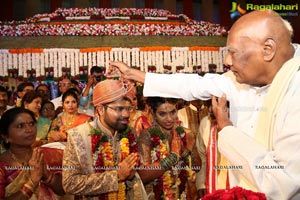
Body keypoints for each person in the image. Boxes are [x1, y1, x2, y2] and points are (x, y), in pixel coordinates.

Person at [108, 10, 300, 199]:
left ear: (268, 50)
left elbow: (281, 182)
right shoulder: (237, 81)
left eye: (233, 53)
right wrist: (133, 74)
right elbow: (193, 85)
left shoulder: (295, 90)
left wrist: (227, 129)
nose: (226, 61)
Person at [62, 79, 146, 199]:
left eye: (128, 109)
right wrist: (116, 176)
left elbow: (136, 174)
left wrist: (132, 175)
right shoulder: (78, 136)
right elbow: (69, 183)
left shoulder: (130, 133)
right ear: (101, 109)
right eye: (119, 109)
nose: (126, 114)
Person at [138, 97, 202, 200]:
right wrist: (172, 157)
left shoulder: (186, 133)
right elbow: (143, 174)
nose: (169, 118)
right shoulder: (147, 135)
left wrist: (186, 151)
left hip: (182, 195)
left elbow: (197, 167)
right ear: (153, 113)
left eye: (173, 112)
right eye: (162, 114)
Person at [0, 107, 65, 199]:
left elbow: (64, 191)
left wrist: (48, 176)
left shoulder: (49, 155)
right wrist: (32, 182)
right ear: (5, 136)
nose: (29, 130)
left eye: (31, 124)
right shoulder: (2, 165)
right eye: (20, 126)